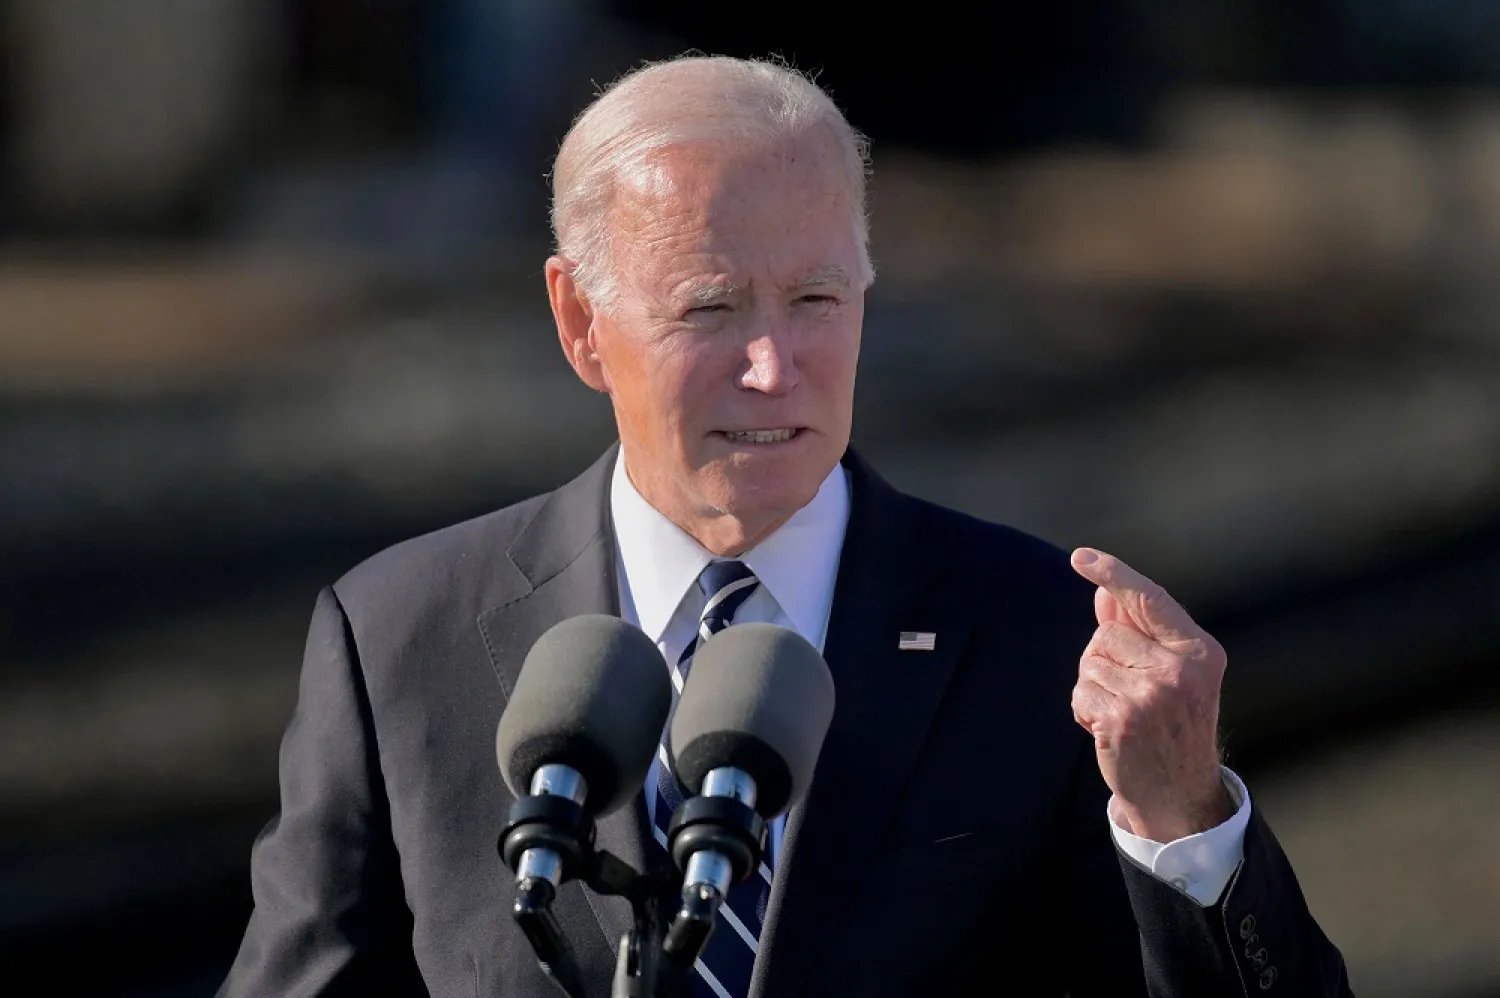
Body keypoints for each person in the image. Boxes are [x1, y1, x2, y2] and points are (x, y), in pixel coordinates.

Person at [220, 55, 1351, 997]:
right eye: (711, 308)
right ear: (580, 322)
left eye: (817, 301)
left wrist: (1187, 826)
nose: (776, 368)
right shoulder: (397, 635)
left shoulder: (1043, 639)